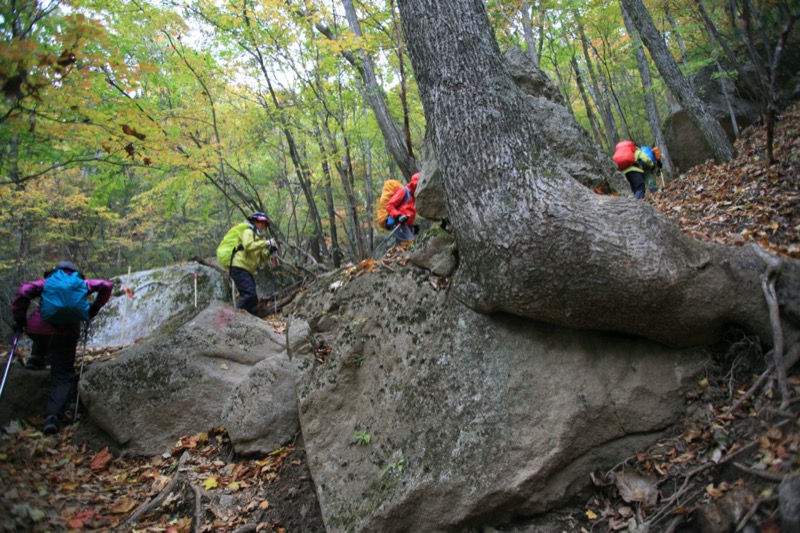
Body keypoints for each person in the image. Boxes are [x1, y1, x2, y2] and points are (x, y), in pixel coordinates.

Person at [11, 262, 113, 434]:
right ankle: (52, 418)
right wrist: (93, 309)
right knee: (63, 375)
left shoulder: (48, 282)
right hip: (67, 334)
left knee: (43, 329)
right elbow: (106, 285)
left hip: (38, 331)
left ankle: (36, 358)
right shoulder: (81, 283)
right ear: (74, 273)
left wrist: (20, 319)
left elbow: (24, 291)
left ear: (55, 271)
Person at [230, 212, 278, 316]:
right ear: (255, 221)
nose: (264, 226)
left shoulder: (259, 238)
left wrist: (270, 251)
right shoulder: (247, 231)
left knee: (253, 300)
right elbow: (248, 246)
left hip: (247, 270)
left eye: (265, 224)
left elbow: (261, 259)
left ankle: (249, 321)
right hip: (239, 266)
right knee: (249, 294)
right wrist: (267, 243)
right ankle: (233, 317)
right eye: (262, 223)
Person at [385, 173, 419, 244]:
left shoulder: (414, 197)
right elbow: (389, 205)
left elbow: (408, 213)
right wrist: (399, 216)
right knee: (411, 243)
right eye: (417, 185)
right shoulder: (404, 191)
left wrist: (412, 227)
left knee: (401, 246)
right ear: (413, 184)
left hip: (405, 226)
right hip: (397, 223)